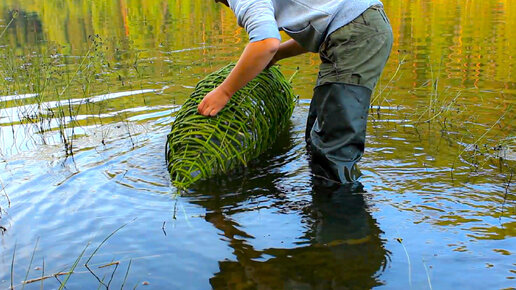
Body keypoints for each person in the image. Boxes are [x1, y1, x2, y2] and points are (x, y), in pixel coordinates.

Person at [198, 0, 393, 183]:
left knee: (333, 155)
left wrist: (224, 92)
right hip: (357, 29)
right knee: (317, 139)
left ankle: (341, 213)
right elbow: (320, 25)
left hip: (357, 36)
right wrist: (278, 56)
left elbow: (266, 42)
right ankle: (320, 211)